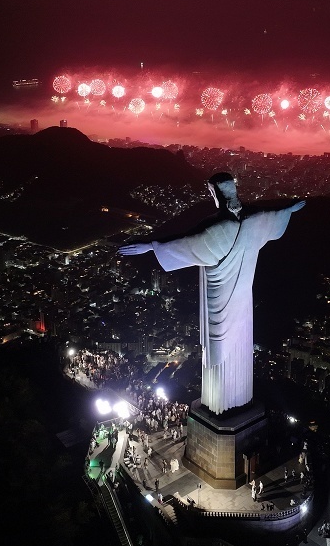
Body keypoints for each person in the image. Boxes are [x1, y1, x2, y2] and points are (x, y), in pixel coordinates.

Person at [119, 172, 305, 415]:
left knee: (218, 348)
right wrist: (289, 209)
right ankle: (229, 403)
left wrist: (151, 245)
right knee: (234, 347)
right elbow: (274, 216)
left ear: (214, 194)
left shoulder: (216, 229)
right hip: (243, 301)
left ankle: (220, 408)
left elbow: (185, 241)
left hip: (219, 300)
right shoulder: (254, 220)